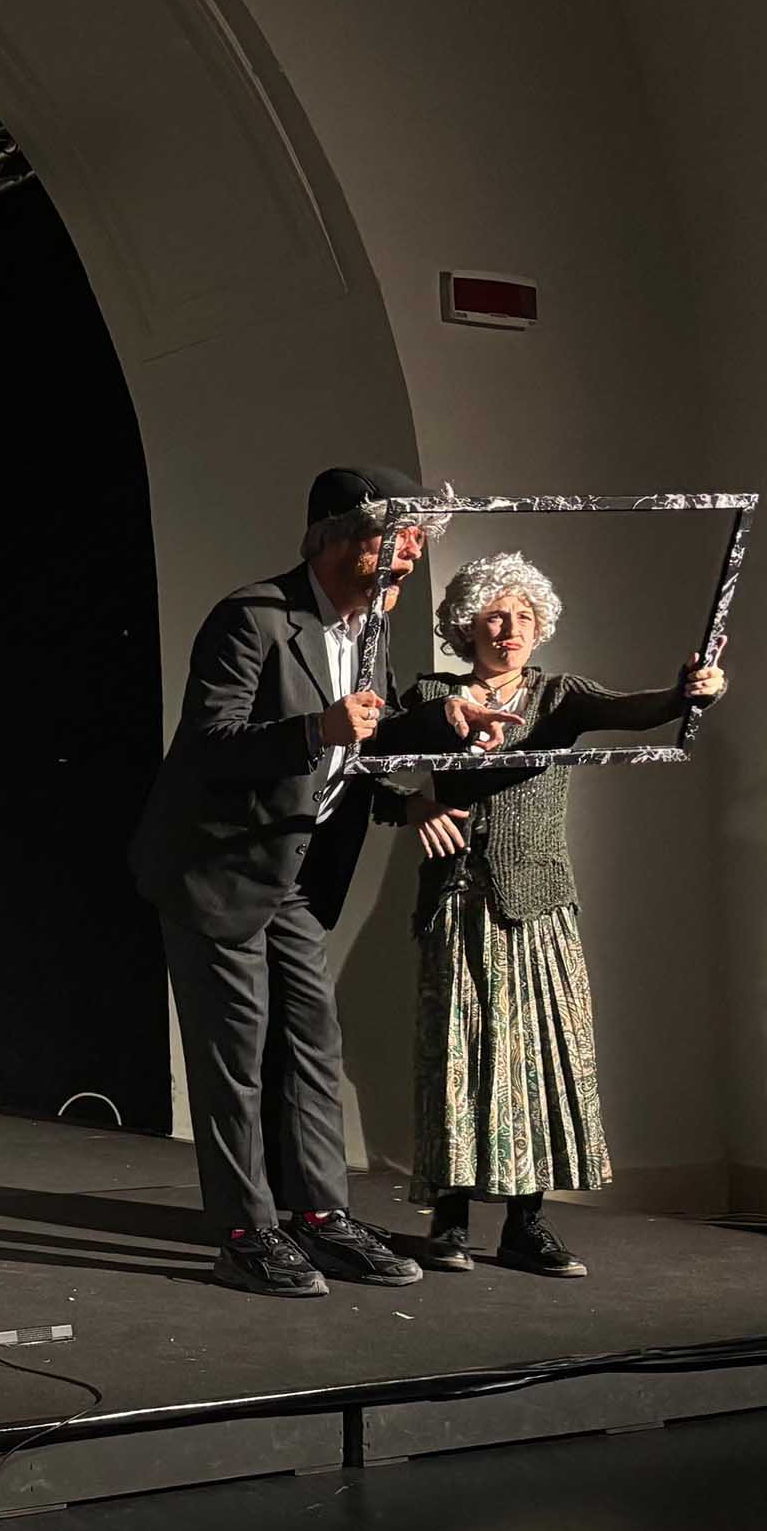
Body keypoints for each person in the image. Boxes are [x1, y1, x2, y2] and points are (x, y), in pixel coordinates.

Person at [128, 467, 520, 1298]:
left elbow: (368, 738)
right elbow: (209, 743)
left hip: (297, 875)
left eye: (418, 543)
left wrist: (443, 721)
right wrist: (315, 728)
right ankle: (245, 1233)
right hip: (219, 868)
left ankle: (319, 1216)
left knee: (313, 1045)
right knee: (235, 1058)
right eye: (397, 540)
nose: (410, 558)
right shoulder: (254, 618)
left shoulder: (369, 628)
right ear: (339, 539)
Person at [400, 552, 729, 1278]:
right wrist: (414, 805)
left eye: (523, 616)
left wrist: (688, 691)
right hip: (460, 899)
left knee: (541, 1060)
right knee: (458, 1058)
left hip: (539, 901)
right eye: (494, 616)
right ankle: (450, 1221)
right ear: (466, 625)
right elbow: (367, 765)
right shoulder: (432, 696)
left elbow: (634, 709)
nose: (509, 629)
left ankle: (527, 1224)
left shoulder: (558, 696)